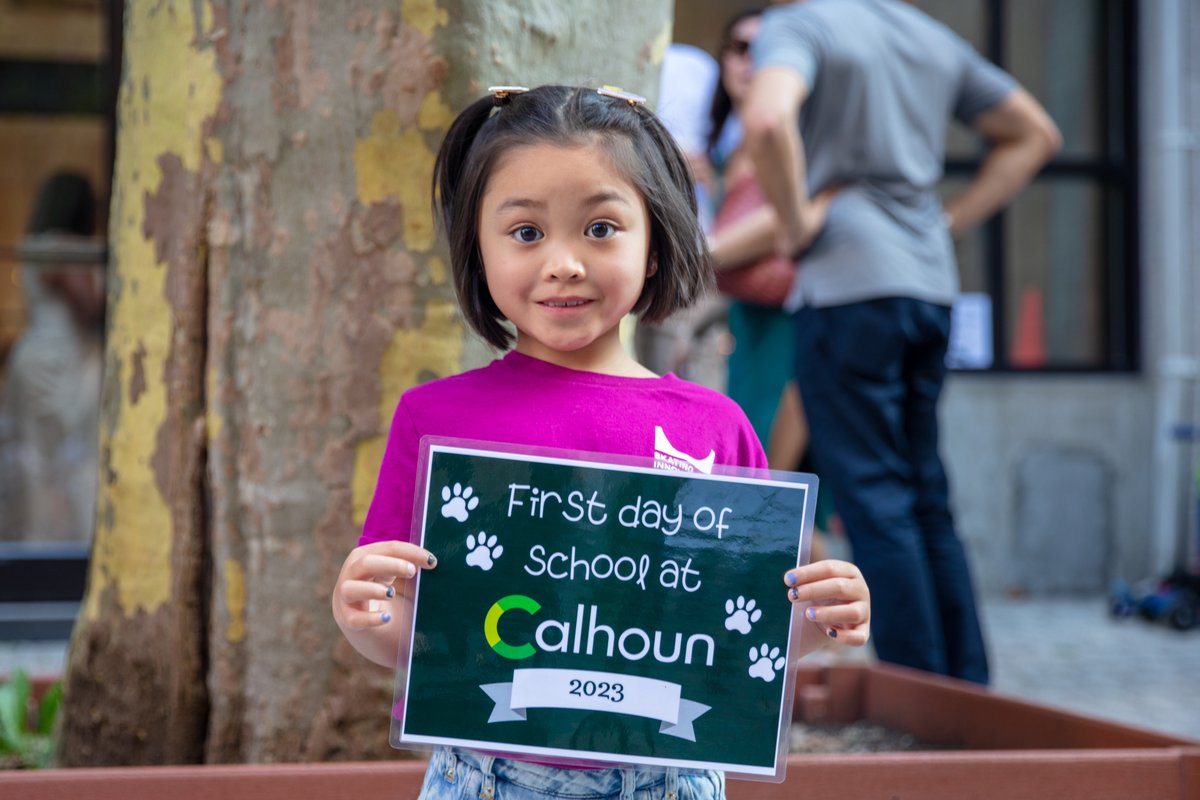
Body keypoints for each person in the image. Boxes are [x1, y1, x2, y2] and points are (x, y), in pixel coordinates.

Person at [331, 84, 870, 800]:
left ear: (655, 245)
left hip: (672, 775)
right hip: (486, 775)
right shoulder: (435, 417)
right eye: (525, 233)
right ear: (477, 249)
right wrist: (363, 619)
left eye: (601, 229)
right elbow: (420, 632)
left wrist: (816, 619)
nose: (564, 263)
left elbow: (740, 638)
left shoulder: (716, 428)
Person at [740, 0, 1062, 685]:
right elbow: (1036, 133)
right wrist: (949, 220)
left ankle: (919, 693)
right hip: (928, 286)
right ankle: (964, 686)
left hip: (850, 286)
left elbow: (767, 119)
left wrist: (796, 225)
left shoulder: (801, 25)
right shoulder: (931, 37)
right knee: (923, 493)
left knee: (875, 496)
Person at [0, 172, 105, 541]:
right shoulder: (63, 247)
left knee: (40, 465)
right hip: (66, 366)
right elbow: (89, 306)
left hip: (36, 361)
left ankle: (42, 539)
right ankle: (65, 543)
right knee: (68, 462)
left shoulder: (33, 244)